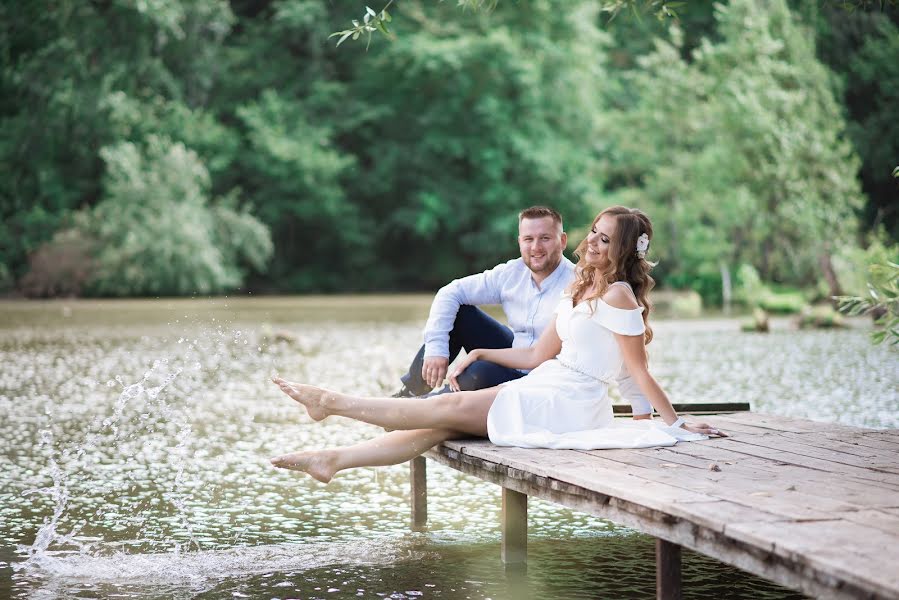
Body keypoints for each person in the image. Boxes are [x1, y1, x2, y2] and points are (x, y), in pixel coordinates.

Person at [270, 206, 724, 483]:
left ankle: (329, 402)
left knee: (442, 409)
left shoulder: (618, 294)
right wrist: (482, 352)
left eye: (605, 239)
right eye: (594, 232)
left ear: (623, 251)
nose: (592, 243)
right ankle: (333, 460)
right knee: (437, 428)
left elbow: (636, 371)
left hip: (567, 402)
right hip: (545, 383)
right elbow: (534, 356)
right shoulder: (579, 289)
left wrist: (671, 424)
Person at [393, 206, 654, 421]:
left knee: (478, 371)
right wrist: (437, 350)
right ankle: (409, 395)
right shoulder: (510, 274)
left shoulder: (582, 284)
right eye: (528, 239)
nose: (535, 247)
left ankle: (421, 411)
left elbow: (621, 351)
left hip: (545, 379)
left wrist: (642, 410)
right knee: (461, 314)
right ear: (519, 242)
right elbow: (450, 292)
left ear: (562, 241)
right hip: (517, 355)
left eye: (545, 238)